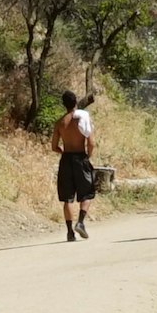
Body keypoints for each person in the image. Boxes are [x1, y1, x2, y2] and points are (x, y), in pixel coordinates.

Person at [49, 89, 98, 242]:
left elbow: (54, 147)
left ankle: (70, 232)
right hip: (80, 157)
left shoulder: (59, 122)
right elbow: (91, 143)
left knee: (67, 198)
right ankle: (81, 222)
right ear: (76, 102)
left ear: (63, 105)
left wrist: (62, 150)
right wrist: (87, 156)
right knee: (87, 192)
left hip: (66, 159)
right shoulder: (82, 119)